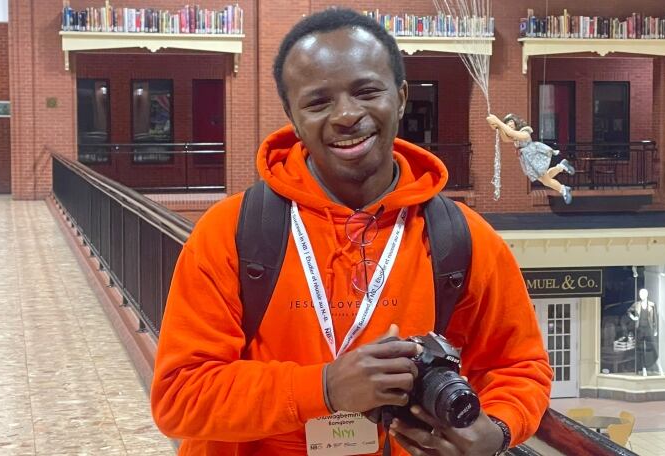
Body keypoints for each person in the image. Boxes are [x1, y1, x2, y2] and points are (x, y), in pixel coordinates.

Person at [151, 8, 552, 456]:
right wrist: (324, 388)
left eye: (366, 91)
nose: (346, 115)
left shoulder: (463, 238)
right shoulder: (231, 233)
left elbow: (518, 366)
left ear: (400, 97)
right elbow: (179, 397)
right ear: (292, 115)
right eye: (318, 101)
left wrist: (497, 430)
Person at [486, 113, 575, 204]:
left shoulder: (525, 132)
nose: (509, 124)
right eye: (507, 123)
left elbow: (511, 132)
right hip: (529, 161)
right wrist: (498, 127)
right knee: (546, 179)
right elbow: (505, 139)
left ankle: (563, 189)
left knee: (546, 180)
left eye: (511, 121)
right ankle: (561, 167)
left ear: (516, 122)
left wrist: (498, 122)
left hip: (535, 158)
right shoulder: (515, 137)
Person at [626, 288, 659, 376]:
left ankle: (652, 365)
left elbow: (655, 317)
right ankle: (642, 367)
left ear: (647, 295)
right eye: (640, 294)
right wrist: (633, 317)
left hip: (649, 329)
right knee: (640, 349)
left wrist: (655, 329)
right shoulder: (636, 304)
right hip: (640, 329)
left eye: (643, 294)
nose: (642, 295)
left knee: (651, 347)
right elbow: (628, 311)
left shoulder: (652, 305)